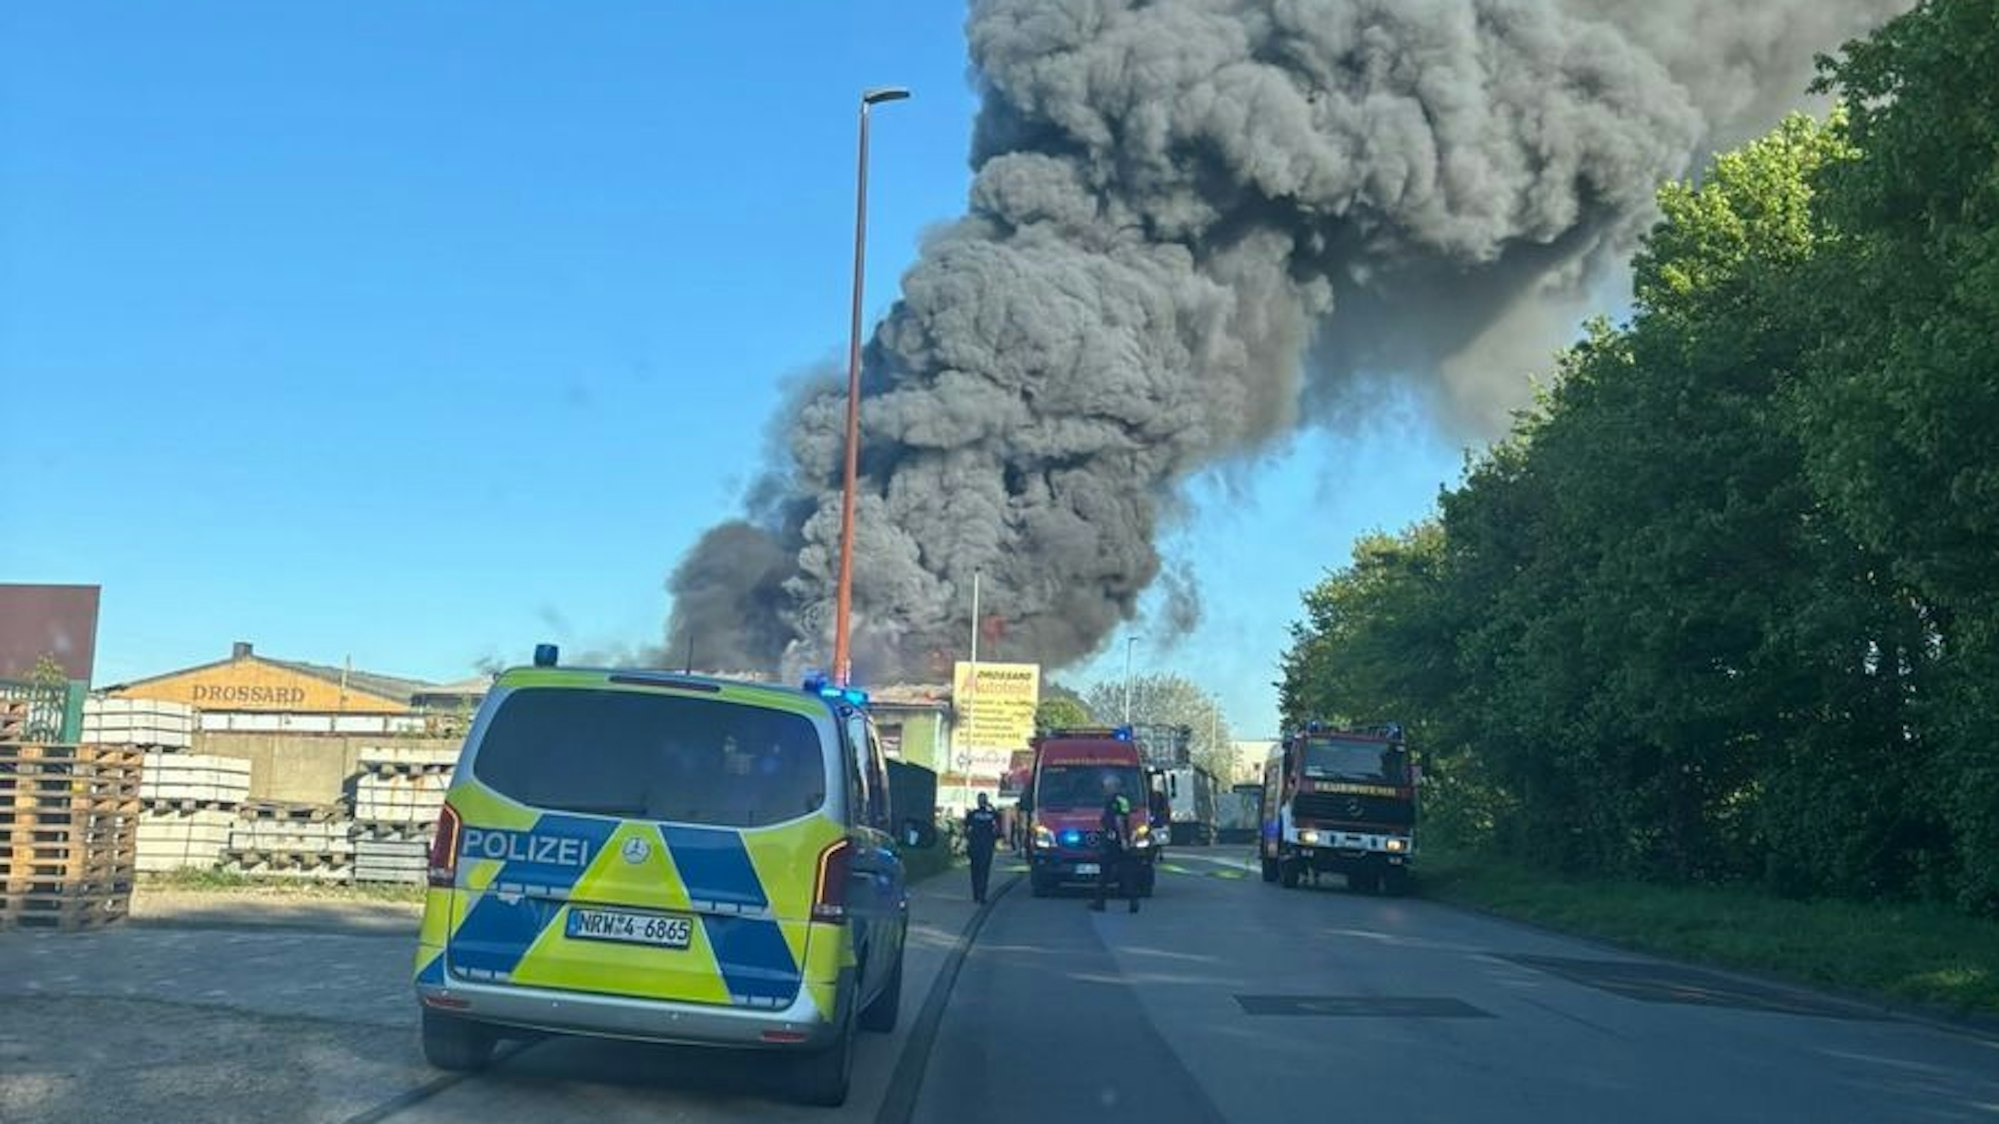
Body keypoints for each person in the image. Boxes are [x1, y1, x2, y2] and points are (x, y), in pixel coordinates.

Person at [1091, 773, 1140, 914]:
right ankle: (1133, 901)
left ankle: (1099, 903)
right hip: (1121, 841)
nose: (1105, 789)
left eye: (1106, 786)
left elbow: (1118, 820)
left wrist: (1123, 839)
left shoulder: (1112, 801)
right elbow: (1126, 819)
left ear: (1113, 786)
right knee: (1127, 872)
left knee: (1104, 873)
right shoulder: (1124, 800)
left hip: (1112, 841)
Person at [964, 792, 1001, 904]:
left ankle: (977, 894)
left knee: (975, 871)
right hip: (986, 846)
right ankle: (981, 895)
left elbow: (966, 828)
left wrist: (969, 839)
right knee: (984, 871)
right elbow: (999, 820)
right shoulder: (991, 814)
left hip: (976, 846)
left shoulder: (973, 814)